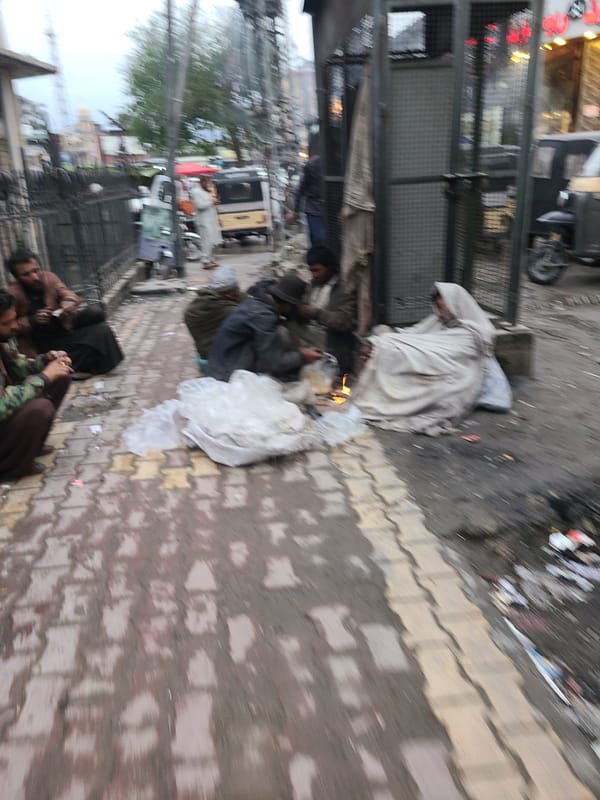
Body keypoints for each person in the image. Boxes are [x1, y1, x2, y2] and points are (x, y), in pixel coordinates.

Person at [353, 282, 496, 436]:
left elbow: (434, 352)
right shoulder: (440, 321)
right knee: (385, 343)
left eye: (441, 308)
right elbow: (416, 335)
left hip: (451, 376)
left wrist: (384, 344)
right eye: (437, 308)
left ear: (455, 305)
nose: (439, 314)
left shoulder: (472, 335)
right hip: (433, 367)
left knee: (389, 351)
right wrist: (381, 340)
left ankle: (380, 400)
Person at [5, 249, 124, 379]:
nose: (34, 277)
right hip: (41, 346)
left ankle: (79, 365)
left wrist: (68, 303)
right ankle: (65, 369)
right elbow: (9, 325)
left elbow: (67, 293)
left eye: (36, 270)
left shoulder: (49, 278)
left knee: (97, 316)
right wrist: (33, 320)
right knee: (99, 331)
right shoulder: (12, 294)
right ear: (17, 277)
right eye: (26, 274)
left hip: (62, 328)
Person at [0, 289, 73, 480]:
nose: (15, 326)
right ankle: (11, 467)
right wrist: (44, 377)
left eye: (14, 319)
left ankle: (28, 446)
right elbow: (1, 406)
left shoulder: (5, 339)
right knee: (40, 408)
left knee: (60, 377)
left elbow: (19, 366)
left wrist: (46, 360)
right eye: (6, 323)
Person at [206, 272, 322, 382]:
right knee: (281, 336)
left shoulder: (259, 301)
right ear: (287, 304)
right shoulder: (264, 316)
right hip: (224, 375)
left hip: (220, 364)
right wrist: (302, 355)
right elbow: (273, 362)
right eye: (295, 307)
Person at [296, 245, 357, 376]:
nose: (314, 275)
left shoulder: (344, 288)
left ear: (330, 267)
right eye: (311, 271)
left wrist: (315, 313)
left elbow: (345, 321)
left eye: (318, 270)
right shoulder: (313, 285)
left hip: (332, 343)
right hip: (312, 338)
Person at [183, 264, 243, 363]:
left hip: (203, 350)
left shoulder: (200, 301)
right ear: (229, 293)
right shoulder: (227, 309)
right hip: (216, 356)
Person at [291, 154, 324, 246]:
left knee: (319, 238)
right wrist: (296, 211)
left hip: (322, 207)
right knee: (318, 238)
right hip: (313, 208)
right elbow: (300, 190)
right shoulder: (311, 166)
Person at [191, 175, 222, 270]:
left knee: (213, 241)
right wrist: (211, 202)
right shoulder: (196, 192)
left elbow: (211, 202)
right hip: (204, 220)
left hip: (211, 219)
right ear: (202, 182)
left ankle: (211, 259)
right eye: (207, 182)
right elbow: (200, 205)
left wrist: (215, 201)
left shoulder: (207, 191)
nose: (208, 184)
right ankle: (205, 261)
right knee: (206, 242)